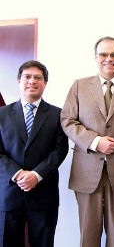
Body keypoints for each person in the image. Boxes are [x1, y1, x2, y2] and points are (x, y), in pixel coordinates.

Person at [60, 36, 114, 247]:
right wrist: (95, 141)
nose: (109, 59)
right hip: (86, 171)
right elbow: (67, 120)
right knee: (88, 236)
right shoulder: (79, 86)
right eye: (104, 55)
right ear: (95, 57)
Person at [0, 60, 69, 247]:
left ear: (45, 83)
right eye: (27, 77)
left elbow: (60, 149)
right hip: (9, 195)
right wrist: (18, 174)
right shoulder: (2, 114)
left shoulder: (58, 115)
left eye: (38, 77)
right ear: (18, 81)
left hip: (43, 194)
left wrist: (36, 175)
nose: (32, 81)